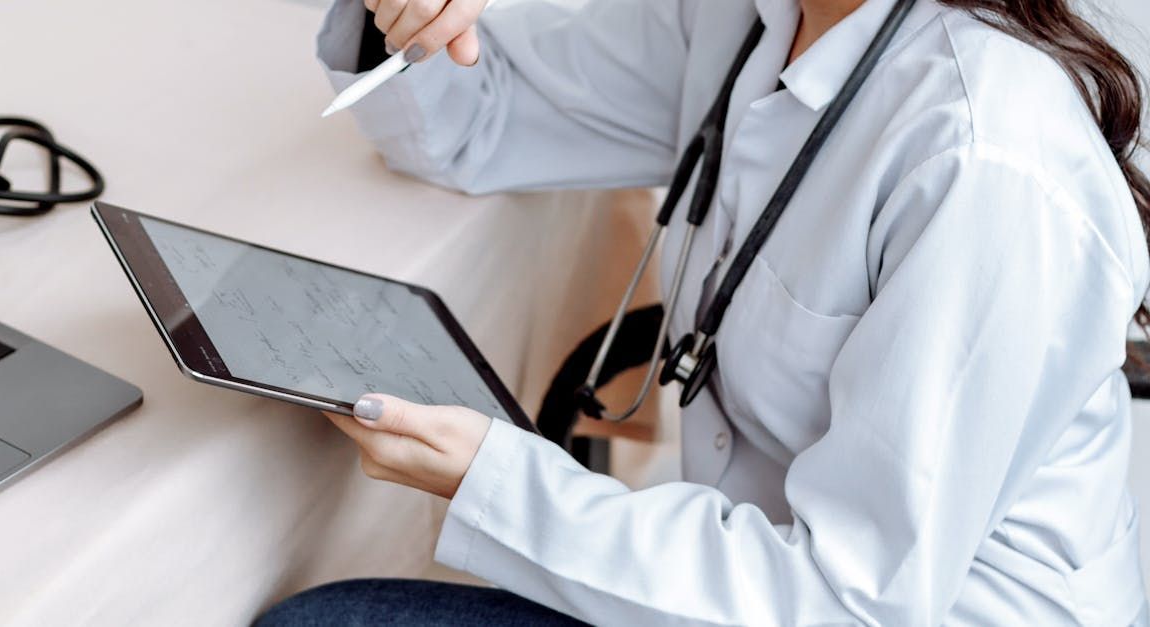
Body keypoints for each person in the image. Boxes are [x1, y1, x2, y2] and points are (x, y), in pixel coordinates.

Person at [258, 0, 1150, 624]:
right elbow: (482, 118)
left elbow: (852, 603)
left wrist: (500, 483)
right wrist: (408, 16)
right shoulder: (751, 16)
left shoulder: (985, 164)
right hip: (746, 587)